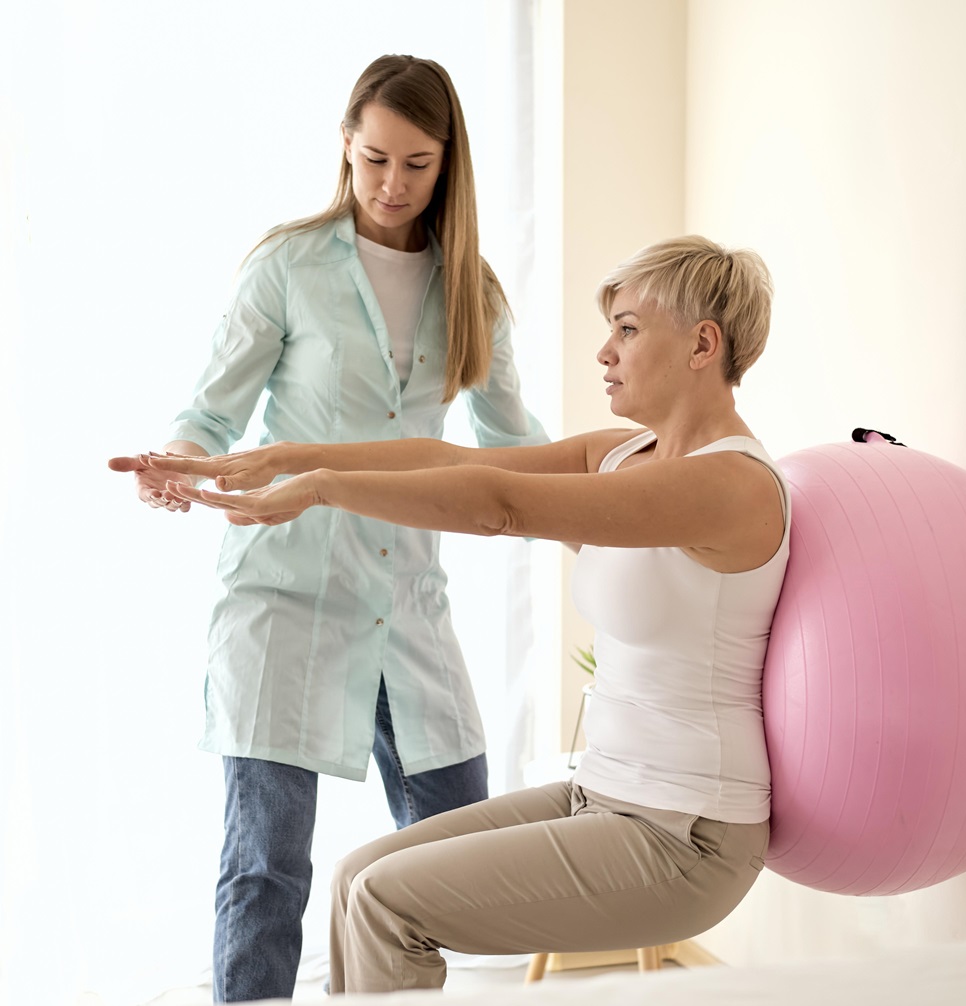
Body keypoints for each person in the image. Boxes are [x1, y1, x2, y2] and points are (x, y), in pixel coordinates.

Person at [150, 235, 790, 995]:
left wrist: (321, 490)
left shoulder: (730, 485)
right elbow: (449, 462)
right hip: (607, 794)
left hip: (689, 834)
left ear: (702, 344)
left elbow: (499, 506)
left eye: (625, 328)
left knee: (388, 904)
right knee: (362, 875)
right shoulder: (625, 457)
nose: (603, 352)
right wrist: (283, 458)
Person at [108, 54, 546, 1003]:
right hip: (284, 600)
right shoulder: (287, 265)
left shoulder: (474, 289)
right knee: (266, 871)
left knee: (460, 848)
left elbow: (517, 446)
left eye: (417, 164)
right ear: (345, 145)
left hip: (407, 606)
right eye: (375, 158)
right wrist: (175, 465)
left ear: (448, 164)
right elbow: (213, 416)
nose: (392, 185)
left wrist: (626, 484)